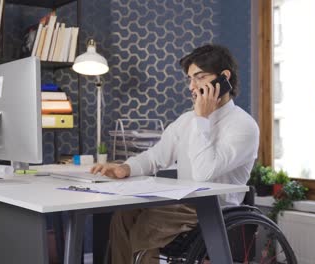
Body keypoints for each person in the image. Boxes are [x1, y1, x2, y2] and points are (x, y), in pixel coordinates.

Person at [91, 44, 260, 264]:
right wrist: (126, 168)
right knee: (122, 217)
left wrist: (202, 119)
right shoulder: (186, 120)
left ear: (224, 78)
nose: (192, 86)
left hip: (212, 207)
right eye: (190, 79)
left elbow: (203, 173)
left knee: (146, 226)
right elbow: (156, 156)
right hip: (182, 200)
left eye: (199, 77)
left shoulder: (243, 126)